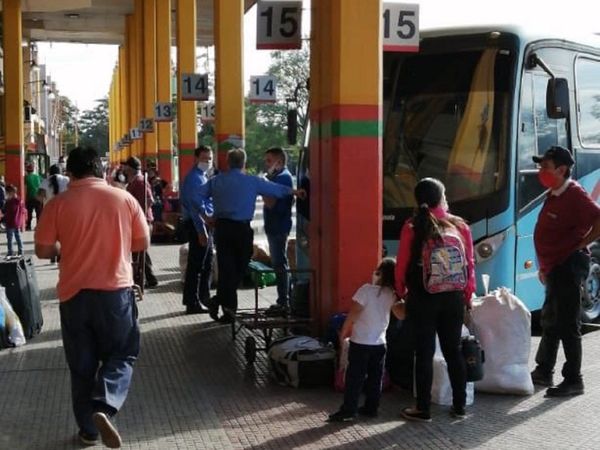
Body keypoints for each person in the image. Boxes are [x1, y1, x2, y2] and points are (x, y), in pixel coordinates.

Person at [34, 146, 149, 448]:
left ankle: (88, 431)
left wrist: (64, 248)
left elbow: (43, 250)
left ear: (69, 173)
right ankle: (104, 405)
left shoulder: (57, 204)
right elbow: (142, 242)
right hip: (115, 295)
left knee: (82, 366)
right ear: (100, 170)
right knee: (122, 354)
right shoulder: (124, 199)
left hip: (74, 295)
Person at [395, 178, 475, 422]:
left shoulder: (412, 226)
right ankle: (460, 406)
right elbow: (469, 264)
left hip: (423, 296)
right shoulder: (460, 226)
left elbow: (402, 266)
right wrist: (467, 296)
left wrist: (402, 293)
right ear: (442, 198)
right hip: (453, 297)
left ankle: (423, 409)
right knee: (454, 351)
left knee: (424, 352)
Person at [198, 148, 305, 324]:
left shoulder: (215, 181)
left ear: (228, 162)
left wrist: (205, 216)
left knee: (226, 270)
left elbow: (194, 197)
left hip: (222, 229)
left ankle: (224, 308)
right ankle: (224, 306)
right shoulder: (252, 181)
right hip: (241, 230)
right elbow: (276, 189)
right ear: (244, 164)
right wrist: (295, 192)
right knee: (240, 266)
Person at [530, 146, 600, 397]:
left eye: (545, 167)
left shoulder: (575, 194)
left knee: (568, 324)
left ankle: (573, 380)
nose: (541, 172)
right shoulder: (555, 193)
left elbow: (598, 219)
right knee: (550, 319)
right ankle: (544, 370)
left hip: (569, 266)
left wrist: (582, 244)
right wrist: (545, 267)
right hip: (556, 266)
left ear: (561, 170)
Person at [327, 258, 405, 422]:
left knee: (355, 377)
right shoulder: (391, 294)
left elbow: (354, 313)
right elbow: (401, 315)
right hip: (380, 343)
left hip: (361, 342)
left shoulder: (366, 290)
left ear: (380, 273)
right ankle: (371, 408)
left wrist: (343, 332)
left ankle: (349, 410)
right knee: (375, 378)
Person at [180, 145, 214, 314]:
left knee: (206, 263)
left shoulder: (202, 176)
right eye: (204, 158)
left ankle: (203, 297)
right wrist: (201, 231)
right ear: (195, 159)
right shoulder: (195, 179)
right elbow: (195, 207)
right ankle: (193, 302)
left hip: (204, 224)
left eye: (209, 159)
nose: (207, 162)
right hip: (197, 225)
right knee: (197, 265)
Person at [262, 147, 294, 315]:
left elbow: (271, 203)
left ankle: (284, 302)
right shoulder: (278, 177)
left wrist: (263, 186)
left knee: (279, 264)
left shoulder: (282, 179)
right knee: (280, 263)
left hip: (278, 227)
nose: (266, 164)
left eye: (269, 161)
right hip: (275, 226)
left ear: (279, 162)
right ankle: (286, 298)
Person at [124, 156, 158, 288]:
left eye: (126, 167)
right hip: (139, 221)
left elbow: (149, 200)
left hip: (142, 221)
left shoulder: (139, 182)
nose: (124, 169)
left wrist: (140, 216)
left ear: (130, 168)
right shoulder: (135, 181)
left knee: (139, 252)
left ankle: (141, 279)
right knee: (141, 251)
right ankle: (149, 278)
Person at [4, 184, 25, 259]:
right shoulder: (20, 200)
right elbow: (23, 211)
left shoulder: (10, 202)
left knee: (10, 238)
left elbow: (8, 212)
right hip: (17, 222)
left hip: (11, 222)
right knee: (18, 237)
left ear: (11, 193)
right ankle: (21, 251)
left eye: (7, 193)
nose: (6, 195)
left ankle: (10, 252)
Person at [24, 162, 43, 230]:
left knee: (29, 213)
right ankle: (38, 226)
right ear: (33, 170)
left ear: (26, 170)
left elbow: (25, 189)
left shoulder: (26, 178)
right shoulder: (38, 177)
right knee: (38, 213)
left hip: (30, 197)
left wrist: (24, 199)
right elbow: (42, 187)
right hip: (38, 198)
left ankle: (28, 226)